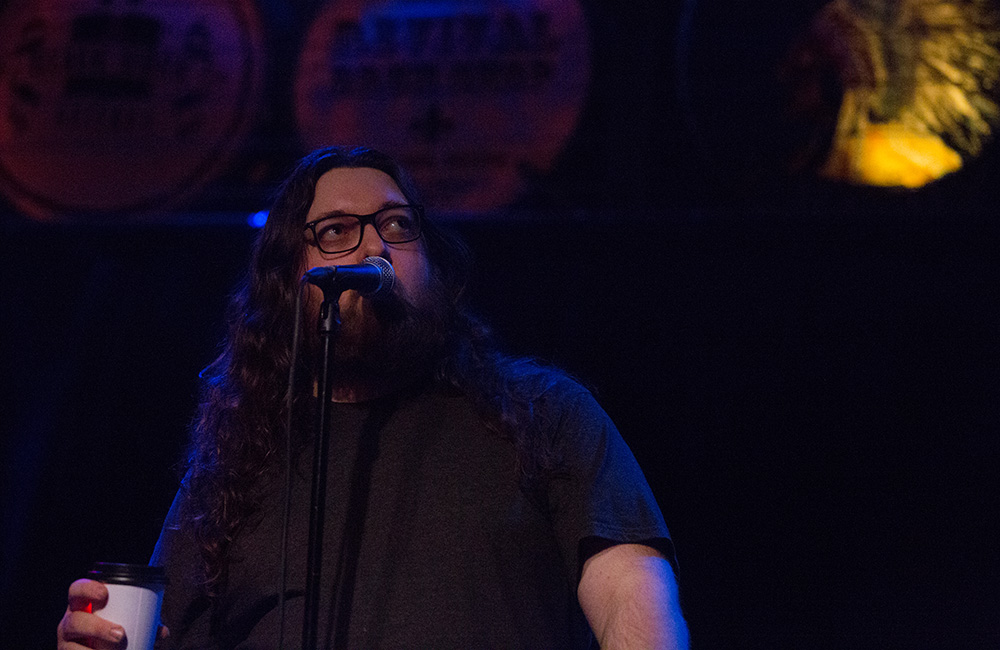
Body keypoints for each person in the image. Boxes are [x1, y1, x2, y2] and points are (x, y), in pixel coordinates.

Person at [57, 146, 689, 649]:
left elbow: (631, 591)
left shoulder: (544, 414)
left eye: (396, 224)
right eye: (336, 230)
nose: (373, 246)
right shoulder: (234, 462)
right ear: (287, 279)